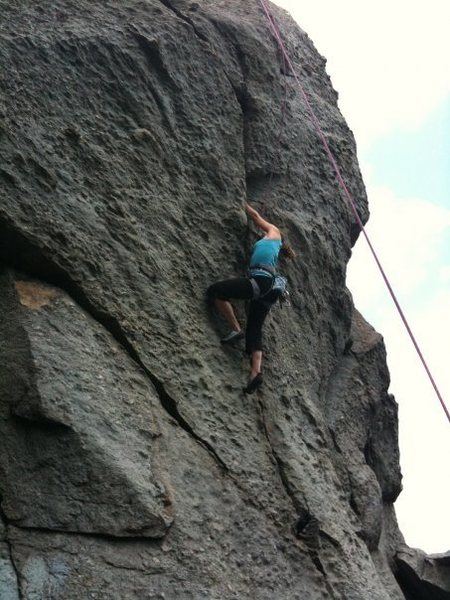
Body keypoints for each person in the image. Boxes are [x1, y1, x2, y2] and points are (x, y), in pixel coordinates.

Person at [207, 203, 294, 394]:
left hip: (261, 280)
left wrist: (240, 201)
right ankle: (255, 372)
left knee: (216, 291)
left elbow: (255, 216)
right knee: (255, 328)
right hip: (268, 288)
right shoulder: (271, 247)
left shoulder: (274, 231)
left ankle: (236, 329)